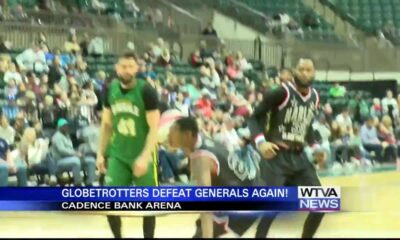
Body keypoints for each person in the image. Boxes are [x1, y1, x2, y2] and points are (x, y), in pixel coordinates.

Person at [247, 58, 324, 238]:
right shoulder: (281, 93)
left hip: (299, 158)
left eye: (309, 69)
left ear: (314, 73)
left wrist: (315, 146)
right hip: (277, 157)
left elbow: (305, 125)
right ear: (294, 72)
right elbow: (254, 117)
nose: (305, 73)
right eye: (301, 69)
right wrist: (261, 142)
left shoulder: (315, 97)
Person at [96, 52, 160, 238]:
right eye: (123, 66)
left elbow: (154, 128)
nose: (127, 70)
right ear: (117, 68)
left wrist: (145, 157)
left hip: (143, 154)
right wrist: (101, 153)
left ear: (137, 68)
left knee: (150, 205)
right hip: (118, 154)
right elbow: (106, 124)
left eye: (131, 66)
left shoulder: (147, 91)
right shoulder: (110, 89)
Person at [168, 117, 261, 238]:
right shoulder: (204, 140)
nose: (168, 135)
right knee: (201, 226)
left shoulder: (201, 159)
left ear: (187, 135)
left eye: (172, 131)